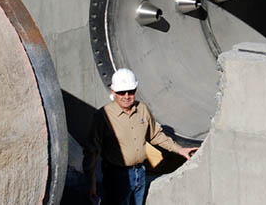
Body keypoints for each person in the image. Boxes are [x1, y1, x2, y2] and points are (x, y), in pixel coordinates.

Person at [83, 68, 198, 205]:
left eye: (130, 91)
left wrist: (179, 149)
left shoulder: (142, 109)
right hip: (116, 177)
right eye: (121, 92)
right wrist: (91, 182)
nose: (126, 96)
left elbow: (155, 135)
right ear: (113, 92)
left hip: (140, 173)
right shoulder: (103, 116)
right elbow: (91, 151)